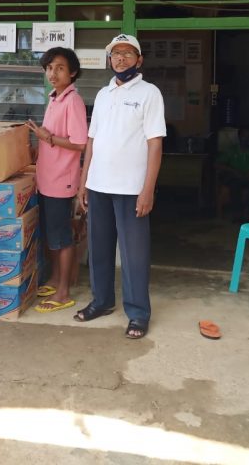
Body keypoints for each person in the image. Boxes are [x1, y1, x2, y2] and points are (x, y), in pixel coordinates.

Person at [75, 34, 166, 339]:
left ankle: (138, 313)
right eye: (115, 53)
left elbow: (155, 144)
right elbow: (91, 141)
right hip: (98, 185)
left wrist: (148, 189)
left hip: (131, 189)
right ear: (109, 59)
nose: (121, 58)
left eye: (127, 53)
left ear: (139, 60)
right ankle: (101, 301)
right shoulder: (103, 95)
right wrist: (84, 182)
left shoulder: (149, 93)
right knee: (98, 249)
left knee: (133, 255)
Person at [27, 47, 88, 313]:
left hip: (61, 181)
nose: (53, 73)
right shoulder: (55, 98)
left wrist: (47, 138)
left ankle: (63, 293)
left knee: (62, 238)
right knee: (52, 235)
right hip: (46, 179)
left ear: (72, 73)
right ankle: (54, 280)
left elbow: (80, 142)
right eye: (49, 68)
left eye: (60, 68)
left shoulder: (73, 100)